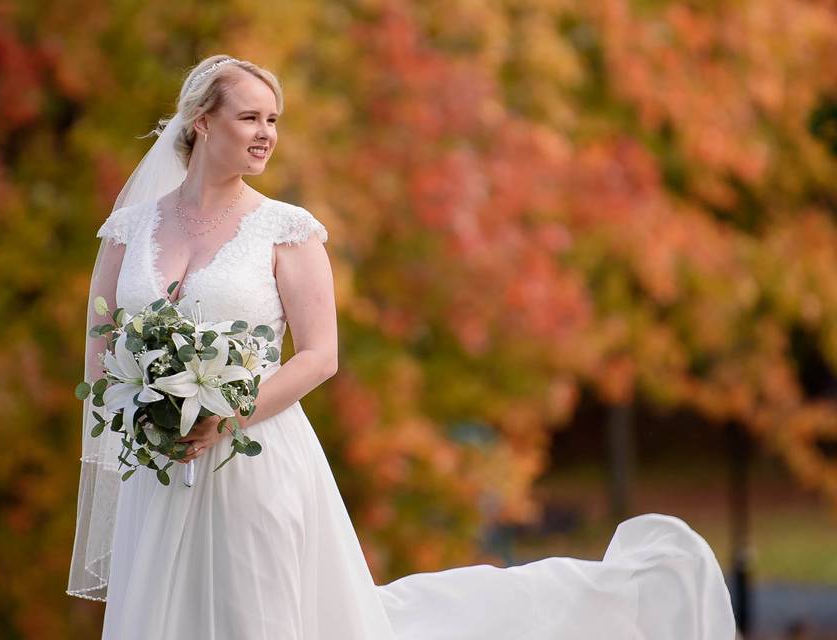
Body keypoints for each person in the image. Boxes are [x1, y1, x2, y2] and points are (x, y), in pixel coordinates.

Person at [67, 54, 737, 639]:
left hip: (255, 459)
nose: (267, 133)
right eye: (250, 118)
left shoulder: (284, 229)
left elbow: (319, 357)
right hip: (156, 470)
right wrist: (146, 413)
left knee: (259, 618)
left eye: (274, 120)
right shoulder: (129, 229)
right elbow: (102, 340)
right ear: (202, 122)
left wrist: (225, 415)